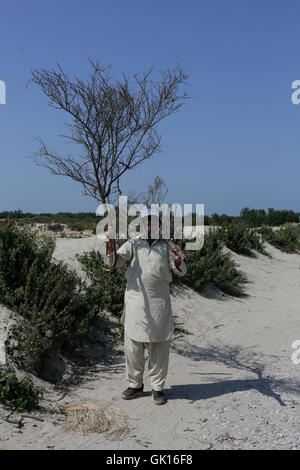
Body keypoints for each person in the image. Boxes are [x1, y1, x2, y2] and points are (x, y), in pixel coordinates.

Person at [105, 210, 186, 405]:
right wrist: (110, 241)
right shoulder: (133, 243)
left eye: (154, 225)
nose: (150, 228)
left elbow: (181, 271)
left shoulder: (168, 245)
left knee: (159, 345)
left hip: (159, 302)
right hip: (135, 302)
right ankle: (135, 385)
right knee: (133, 346)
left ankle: (157, 388)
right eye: (147, 224)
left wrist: (177, 260)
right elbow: (113, 262)